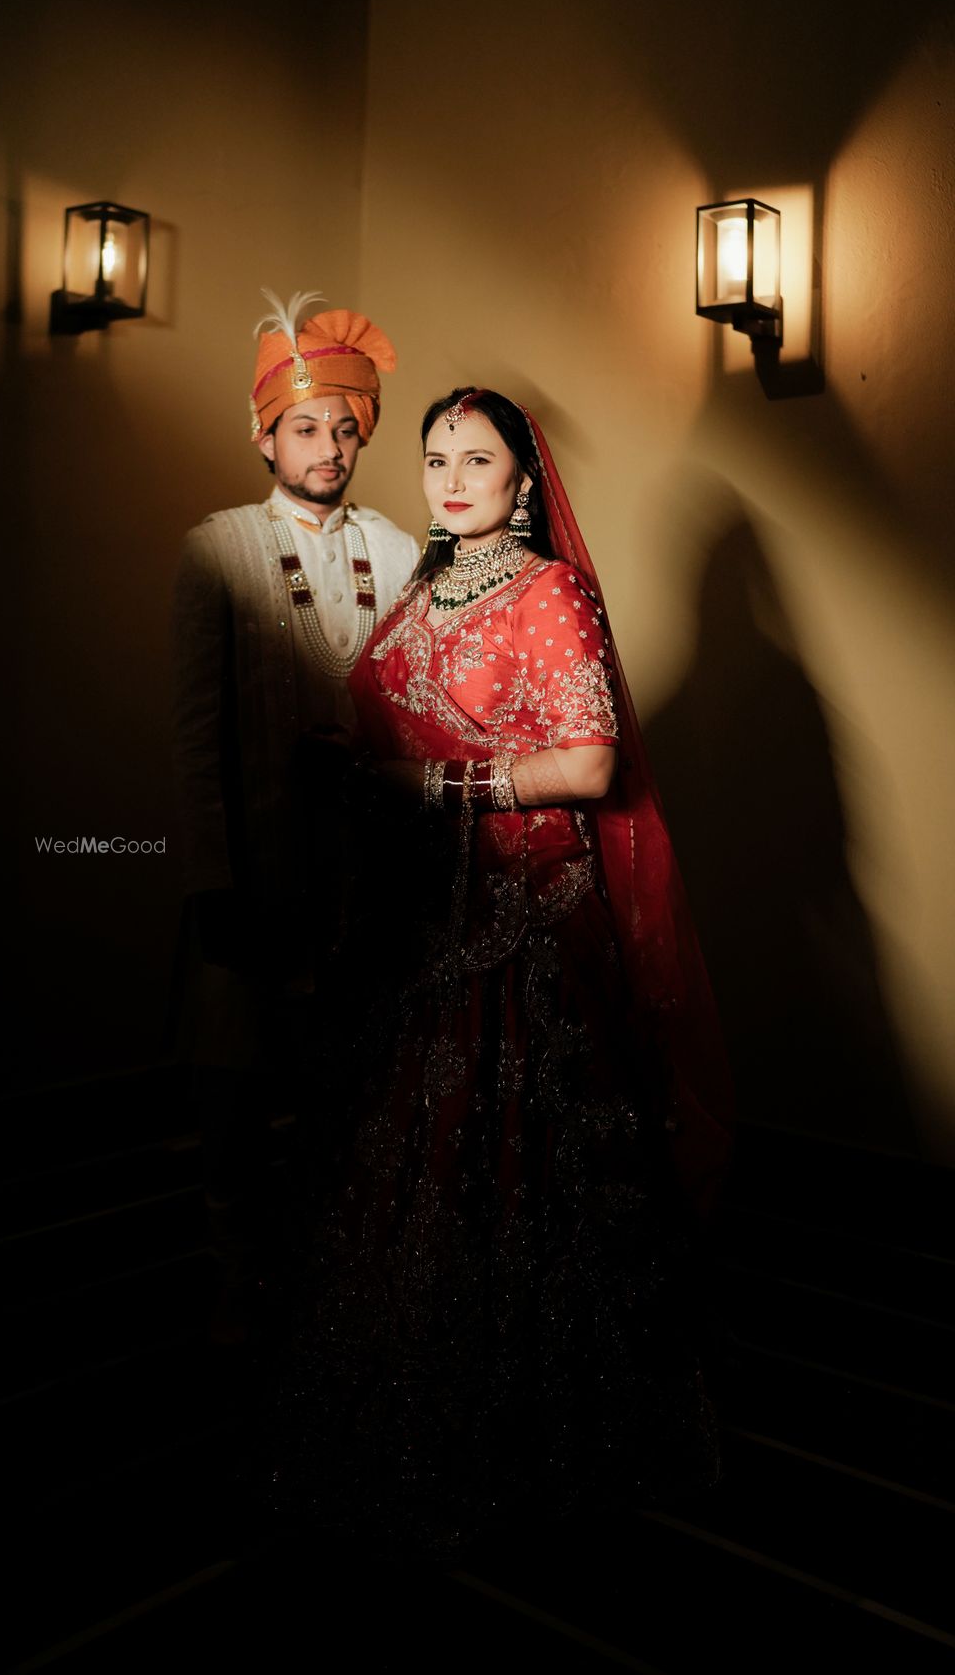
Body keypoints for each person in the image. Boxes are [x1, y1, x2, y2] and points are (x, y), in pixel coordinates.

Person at [267, 387, 733, 1549]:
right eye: (436, 458)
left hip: (520, 924)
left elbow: (588, 763)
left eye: (478, 459)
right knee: (409, 1164)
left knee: (515, 1165)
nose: (452, 478)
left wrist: (422, 788)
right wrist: (349, 768)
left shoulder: (549, 589)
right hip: (417, 924)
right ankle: (420, 1405)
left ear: (524, 480)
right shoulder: (423, 591)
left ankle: (537, 1421)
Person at [171, 290, 421, 1338]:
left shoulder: (400, 551)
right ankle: (239, 1282)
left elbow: (417, 713)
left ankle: (335, 1287)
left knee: (346, 1084)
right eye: (307, 428)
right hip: (252, 866)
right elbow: (196, 735)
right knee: (236, 1086)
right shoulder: (217, 547)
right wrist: (210, 881)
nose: (329, 448)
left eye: (345, 429)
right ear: (264, 433)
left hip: (361, 869)